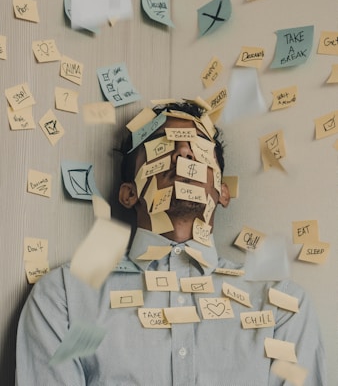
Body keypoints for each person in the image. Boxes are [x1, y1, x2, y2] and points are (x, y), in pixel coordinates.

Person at [16, 101, 326, 385]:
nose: (183, 154)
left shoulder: (283, 306)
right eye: (163, 145)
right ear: (129, 193)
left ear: (222, 191)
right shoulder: (65, 296)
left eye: (199, 148)